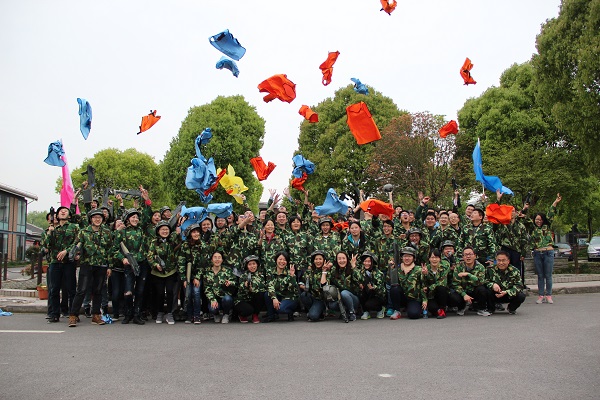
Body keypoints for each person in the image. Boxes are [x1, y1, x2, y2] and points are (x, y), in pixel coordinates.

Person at [68, 209, 112, 327]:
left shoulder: (107, 232)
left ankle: (96, 315)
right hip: (87, 264)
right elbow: (76, 245)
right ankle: (73, 315)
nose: (97, 219)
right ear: (91, 219)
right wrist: (76, 253)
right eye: (95, 217)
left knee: (98, 291)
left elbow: (110, 250)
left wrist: (109, 266)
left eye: (100, 217)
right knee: (81, 290)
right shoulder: (84, 232)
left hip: (101, 264)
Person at [112, 208, 149, 325]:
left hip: (142, 264)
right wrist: (123, 258)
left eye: (137, 217)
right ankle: (128, 314)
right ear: (127, 219)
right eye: (133, 217)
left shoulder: (141, 230)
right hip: (129, 265)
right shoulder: (122, 232)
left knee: (140, 291)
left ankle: (137, 314)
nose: (135, 219)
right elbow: (114, 249)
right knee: (128, 291)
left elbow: (147, 215)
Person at [42, 206, 79, 323]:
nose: (63, 212)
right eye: (60, 211)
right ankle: (54, 314)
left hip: (69, 262)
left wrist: (66, 251)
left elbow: (77, 242)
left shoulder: (74, 227)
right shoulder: (53, 229)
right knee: (54, 289)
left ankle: (73, 313)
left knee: (71, 289)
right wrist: (50, 232)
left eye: (65, 211)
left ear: (69, 215)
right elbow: (47, 245)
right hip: (55, 262)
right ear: (57, 216)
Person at [526, 193, 562, 304]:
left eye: (541, 219)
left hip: (548, 252)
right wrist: (525, 208)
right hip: (537, 253)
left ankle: (549, 295)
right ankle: (541, 295)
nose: (539, 221)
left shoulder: (547, 226)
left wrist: (555, 202)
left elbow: (550, 213)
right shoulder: (532, 228)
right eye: (537, 219)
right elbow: (524, 219)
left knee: (548, 275)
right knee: (540, 276)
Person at [147, 221, 181, 325]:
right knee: (160, 293)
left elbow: (180, 240)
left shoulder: (173, 239)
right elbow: (150, 256)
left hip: (171, 271)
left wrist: (178, 230)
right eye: (162, 229)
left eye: (166, 229)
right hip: (158, 272)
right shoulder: (154, 242)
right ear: (158, 231)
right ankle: (160, 312)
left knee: (170, 291)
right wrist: (155, 265)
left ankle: (170, 313)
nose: (165, 231)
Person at [449, 246, 491, 317]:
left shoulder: (480, 267)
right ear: (463, 257)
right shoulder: (458, 267)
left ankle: (481, 309)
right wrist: (464, 294)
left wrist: (469, 275)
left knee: (482, 290)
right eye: (466, 255)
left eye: (470, 254)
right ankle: (461, 307)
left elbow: (480, 282)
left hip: (474, 290)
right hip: (463, 291)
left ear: (475, 256)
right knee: (453, 296)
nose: (468, 256)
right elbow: (455, 284)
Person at [178, 223, 206, 324]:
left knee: (196, 293)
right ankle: (189, 315)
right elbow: (181, 262)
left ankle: (197, 315)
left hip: (198, 274)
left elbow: (203, 263)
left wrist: (197, 277)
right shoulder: (185, 245)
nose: (196, 234)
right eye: (194, 232)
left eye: (198, 232)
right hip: (187, 275)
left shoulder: (203, 245)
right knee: (188, 294)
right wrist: (184, 278)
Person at [389, 247, 425, 320]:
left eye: (409, 256)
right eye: (405, 256)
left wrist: (424, 300)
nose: (407, 258)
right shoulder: (397, 268)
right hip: (402, 297)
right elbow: (389, 281)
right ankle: (397, 310)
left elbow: (423, 285)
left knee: (413, 314)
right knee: (394, 289)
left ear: (414, 258)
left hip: (414, 298)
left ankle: (415, 308)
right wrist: (391, 269)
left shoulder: (418, 269)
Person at [264, 251, 299, 322]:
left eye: (284, 260)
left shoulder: (290, 272)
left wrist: (292, 277)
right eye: (280, 259)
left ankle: (290, 312)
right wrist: (274, 298)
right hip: (278, 296)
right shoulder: (270, 271)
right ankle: (271, 316)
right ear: (276, 260)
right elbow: (270, 285)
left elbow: (293, 289)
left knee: (281, 309)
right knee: (267, 294)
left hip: (289, 297)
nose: (282, 262)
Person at [203, 251, 235, 323]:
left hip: (225, 297)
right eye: (215, 257)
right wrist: (212, 300)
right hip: (214, 298)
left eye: (219, 257)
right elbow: (207, 288)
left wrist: (230, 283)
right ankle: (216, 314)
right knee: (212, 309)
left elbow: (235, 282)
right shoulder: (207, 272)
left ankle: (226, 314)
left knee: (228, 299)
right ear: (212, 260)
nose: (217, 259)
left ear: (222, 260)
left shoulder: (227, 271)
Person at [234, 255, 267, 323]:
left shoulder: (261, 276)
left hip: (254, 299)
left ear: (257, 265)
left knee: (261, 295)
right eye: (250, 264)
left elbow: (263, 288)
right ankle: (242, 315)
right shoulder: (243, 276)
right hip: (243, 300)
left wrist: (253, 290)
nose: (252, 266)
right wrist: (245, 287)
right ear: (247, 266)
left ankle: (255, 315)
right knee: (248, 310)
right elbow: (240, 291)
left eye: (254, 264)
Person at [354, 252, 385, 320]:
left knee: (370, 304)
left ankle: (380, 309)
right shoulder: (361, 272)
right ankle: (366, 311)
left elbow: (382, 290)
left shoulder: (378, 273)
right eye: (365, 261)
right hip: (366, 294)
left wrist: (374, 288)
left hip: (377, 295)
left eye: (369, 261)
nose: (366, 263)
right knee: (360, 292)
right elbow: (356, 278)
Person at [422, 249, 451, 319]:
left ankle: (442, 309)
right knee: (432, 307)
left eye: (436, 257)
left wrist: (429, 288)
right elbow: (423, 285)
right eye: (432, 257)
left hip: (442, 293)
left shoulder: (444, 267)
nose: (434, 259)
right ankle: (438, 311)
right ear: (429, 259)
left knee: (441, 288)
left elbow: (442, 282)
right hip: (431, 295)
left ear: (440, 259)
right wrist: (425, 274)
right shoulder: (425, 268)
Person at [334, 252, 360, 321]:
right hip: (341, 298)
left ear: (347, 259)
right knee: (332, 304)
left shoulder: (351, 268)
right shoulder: (334, 271)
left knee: (344, 293)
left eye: (343, 258)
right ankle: (345, 311)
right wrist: (325, 270)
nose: (342, 260)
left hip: (354, 298)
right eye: (339, 259)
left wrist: (354, 266)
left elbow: (360, 280)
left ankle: (352, 312)